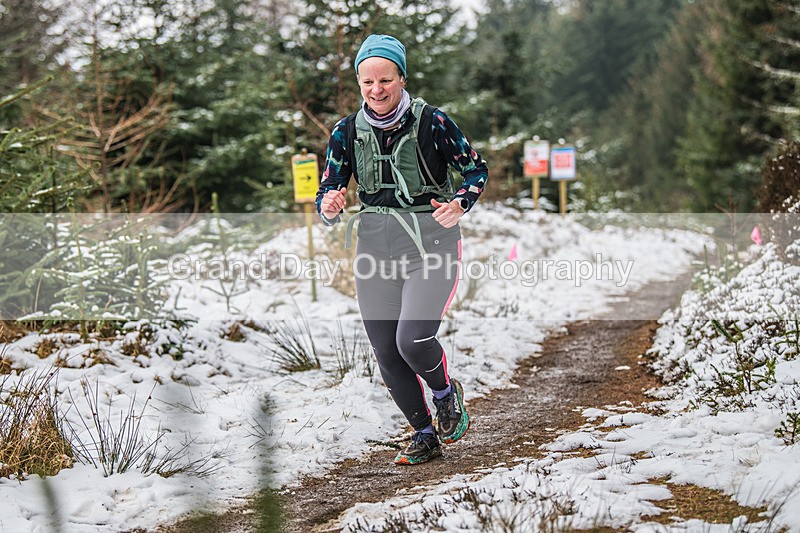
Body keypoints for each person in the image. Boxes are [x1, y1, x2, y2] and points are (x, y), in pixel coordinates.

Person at [316, 34, 488, 465]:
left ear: (401, 78)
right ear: (359, 82)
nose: (377, 90)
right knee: (386, 349)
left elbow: (475, 169)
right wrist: (330, 204)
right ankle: (424, 433)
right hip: (375, 250)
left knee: (411, 339)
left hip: (432, 245)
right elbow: (329, 191)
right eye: (368, 82)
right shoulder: (346, 132)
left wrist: (460, 202)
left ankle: (446, 395)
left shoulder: (433, 122)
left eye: (386, 80)